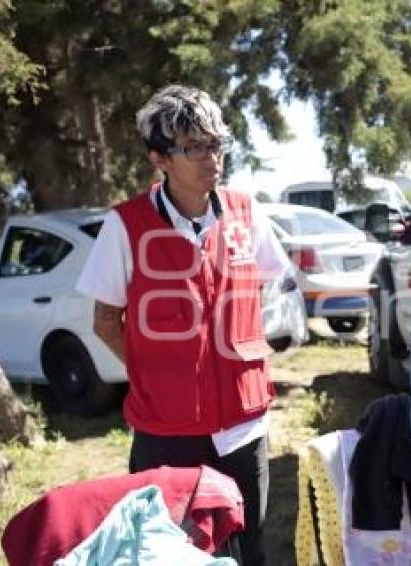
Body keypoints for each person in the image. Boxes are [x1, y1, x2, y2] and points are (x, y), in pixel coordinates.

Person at [76, 85, 292, 566]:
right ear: (161, 159)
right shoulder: (125, 225)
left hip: (243, 428)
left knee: (250, 549)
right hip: (166, 433)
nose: (211, 157)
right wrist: (154, 376)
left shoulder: (245, 212)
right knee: (170, 552)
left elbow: (267, 285)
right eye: (194, 147)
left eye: (216, 143)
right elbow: (106, 320)